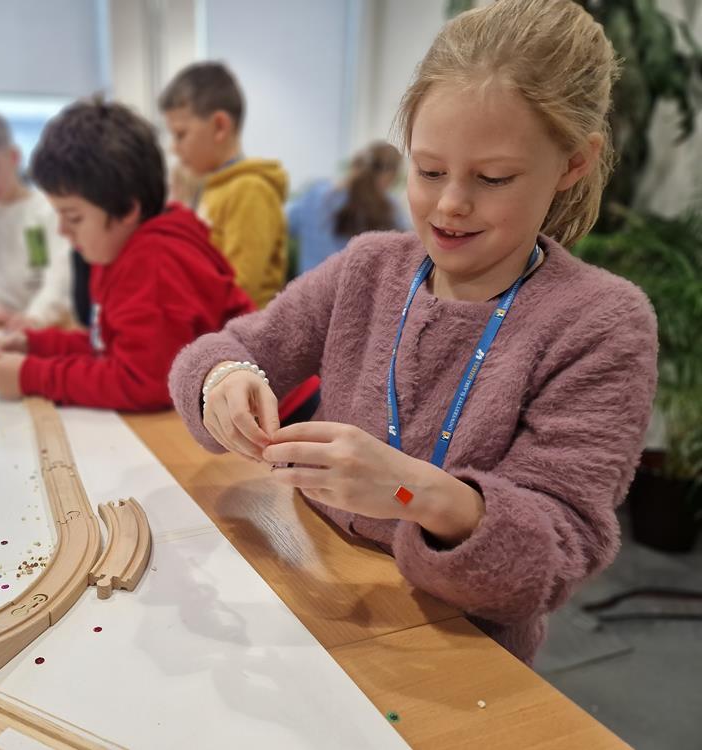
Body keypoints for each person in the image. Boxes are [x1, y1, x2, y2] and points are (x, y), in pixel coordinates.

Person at [168, 0, 658, 665]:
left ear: (573, 163)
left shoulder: (601, 324)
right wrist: (223, 380)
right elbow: (227, 349)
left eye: (493, 178)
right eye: (428, 171)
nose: (450, 204)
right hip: (311, 591)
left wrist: (412, 493)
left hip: (453, 645)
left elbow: (553, 557)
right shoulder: (371, 266)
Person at [0, 98, 319, 419]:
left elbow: (143, 382)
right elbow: (110, 346)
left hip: (286, 414)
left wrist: (31, 376)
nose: (63, 231)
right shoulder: (118, 249)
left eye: (74, 217)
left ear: (127, 209)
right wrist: (36, 345)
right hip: (245, 413)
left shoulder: (154, 260)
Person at [160, 62, 288, 308]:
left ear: (220, 127)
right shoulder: (214, 187)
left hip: (243, 330)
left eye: (181, 134)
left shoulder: (250, 190)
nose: (174, 148)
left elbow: (241, 289)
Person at [0, 112, 73, 330]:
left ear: (14, 156)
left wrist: (34, 318)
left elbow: (61, 277)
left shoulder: (48, 210)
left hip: (48, 327)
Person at [288, 141, 410, 274]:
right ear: (390, 175)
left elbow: (284, 225)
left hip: (309, 285)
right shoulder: (391, 210)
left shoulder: (316, 194)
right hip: (357, 287)